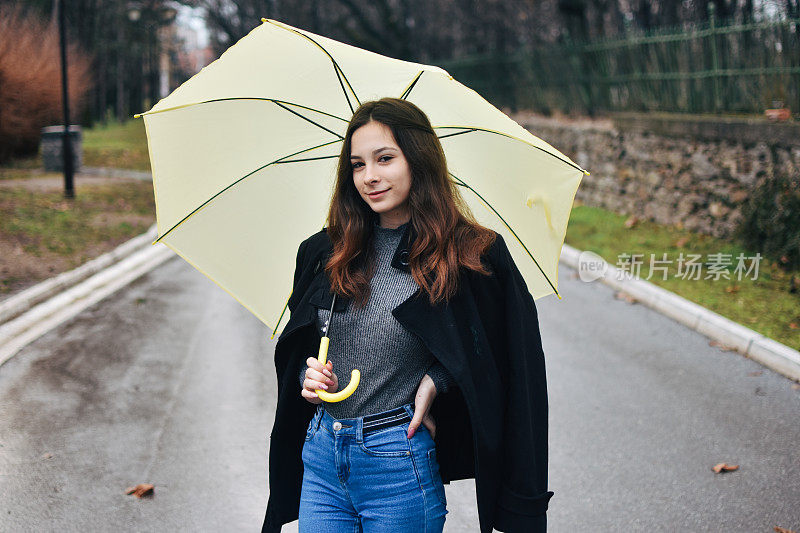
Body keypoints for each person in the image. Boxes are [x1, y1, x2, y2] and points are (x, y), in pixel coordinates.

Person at [261, 97, 553, 533]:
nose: (369, 177)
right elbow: (304, 343)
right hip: (322, 456)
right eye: (357, 165)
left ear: (418, 160)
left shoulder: (470, 253)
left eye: (385, 159)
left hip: (397, 461)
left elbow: (502, 357)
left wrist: (440, 378)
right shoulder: (325, 251)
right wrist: (311, 378)